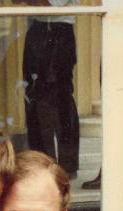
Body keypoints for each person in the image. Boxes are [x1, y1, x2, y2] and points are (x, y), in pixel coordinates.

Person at [22, 0, 80, 175]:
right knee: (32, 97)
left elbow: (49, 3)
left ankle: (67, 165)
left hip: (59, 29)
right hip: (37, 27)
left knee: (61, 99)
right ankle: (41, 164)